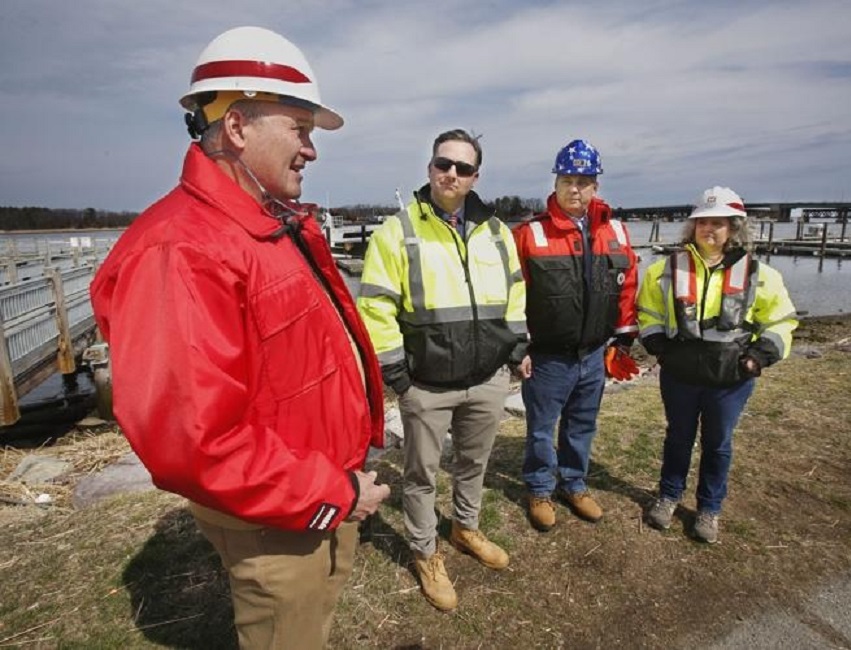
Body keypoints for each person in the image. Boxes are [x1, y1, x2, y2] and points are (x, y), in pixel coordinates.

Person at [90, 26, 390, 649]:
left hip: (309, 490)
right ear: (237, 127)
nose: (311, 150)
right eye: (300, 128)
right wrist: (332, 491)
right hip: (278, 513)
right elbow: (194, 440)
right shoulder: (182, 248)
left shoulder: (263, 226)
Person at [357, 129, 528, 611]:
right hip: (426, 386)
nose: (452, 174)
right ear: (430, 168)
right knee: (421, 475)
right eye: (443, 164)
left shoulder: (496, 233)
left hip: (488, 379)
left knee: (474, 464)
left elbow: (515, 295)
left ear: (477, 176)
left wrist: (514, 352)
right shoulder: (399, 231)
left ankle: (465, 528)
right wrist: (399, 377)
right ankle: (425, 552)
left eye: (463, 168)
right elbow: (375, 309)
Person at [637, 186, 798, 544]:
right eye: (702, 222)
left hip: (731, 379)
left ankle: (709, 508)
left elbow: (782, 321)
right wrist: (655, 341)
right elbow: (647, 311)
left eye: (718, 223)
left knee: (718, 443)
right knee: (677, 438)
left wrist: (758, 357)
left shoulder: (760, 274)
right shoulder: (664, 270)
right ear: (692, 227)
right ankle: (668, 496)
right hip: (680, 375)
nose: (709, 229)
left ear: (734, 228)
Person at [513, 139, 640, 532]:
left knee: (582, 424)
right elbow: (512, 293)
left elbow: (627, 283)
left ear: (595, 186)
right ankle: (539, 489)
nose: (575, 188)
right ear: (556, 181)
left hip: (592, 355)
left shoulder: (616, 231)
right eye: (568, 179)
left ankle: (574, 483)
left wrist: (622, 337)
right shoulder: (530, 234)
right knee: (540, 428)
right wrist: (520, 345)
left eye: (584, 181)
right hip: (548, 357)